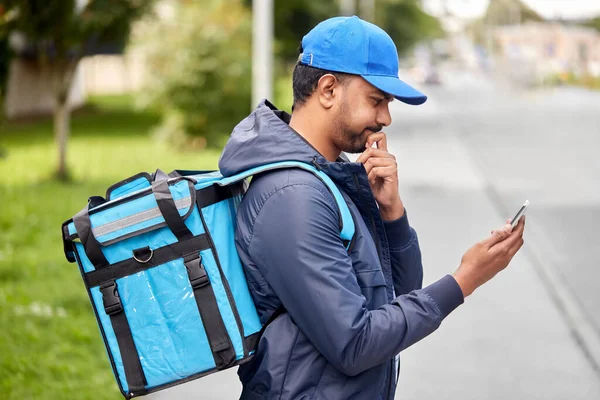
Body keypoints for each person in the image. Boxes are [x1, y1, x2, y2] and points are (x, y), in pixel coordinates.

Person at [218, 15, 525, 400]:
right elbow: (354, 344)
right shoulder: (292, 194)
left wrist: (391, 214)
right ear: (328, 89)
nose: (386, 118)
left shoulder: (330, 177)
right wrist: (465, 281)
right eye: (376, 100)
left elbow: (397, 295)